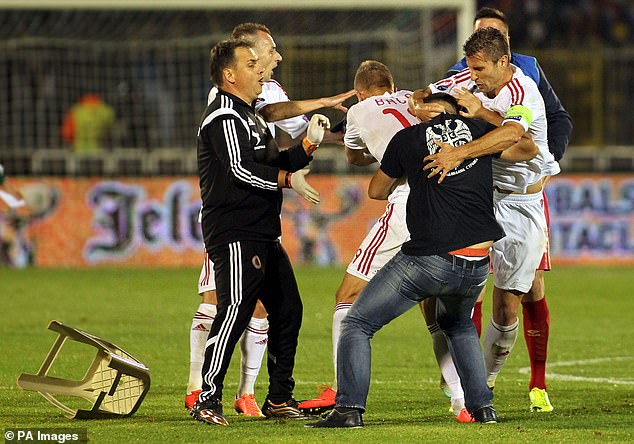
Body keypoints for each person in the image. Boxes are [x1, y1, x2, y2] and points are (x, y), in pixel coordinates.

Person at [306, 92, 538, 428]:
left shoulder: (409, 138)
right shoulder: (479, 133)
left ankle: (348, 410)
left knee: (357, 323)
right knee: (458, 326)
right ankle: (483, 408)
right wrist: (478, 136)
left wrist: (411, 168)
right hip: (476, 262)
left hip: (431, 259)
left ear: (429, 111)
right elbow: (529, 148)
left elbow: (376, 190)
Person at [185, 23, 355, 417]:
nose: (261, 69)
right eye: (250, 64)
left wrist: (307, 145)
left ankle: (279, 397)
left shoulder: (252, 117)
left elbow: (275, 162)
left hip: (262, 230)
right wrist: (288, 179)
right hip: (234, 230)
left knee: (288, 309)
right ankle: (207, 397)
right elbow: (240, 171)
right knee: (235, 309)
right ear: (230, 75)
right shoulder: (224, 117)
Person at [298, 60, 472, 422]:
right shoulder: (414, 98)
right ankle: (462, 400)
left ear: (360, 92)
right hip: (450, 201)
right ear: (391, 86)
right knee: (435, 307)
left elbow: (355, 156)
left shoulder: (359, 110)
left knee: (347, 296)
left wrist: (351, 136)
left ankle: (340, 392)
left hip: (408, 202)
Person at [418, 8, 572, 413]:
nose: (475, 78)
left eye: (482, 70)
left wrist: (461, 150)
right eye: (471, 69)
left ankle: (481, 382)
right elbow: (425, 96)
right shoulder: (470, 78)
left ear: (504, 61)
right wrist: (429, 106)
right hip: (482, 196)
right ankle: (465, 391)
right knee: (456, 287)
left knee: (508, 307)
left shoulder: (524, 90)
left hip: (523, 205)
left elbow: (514, 135)